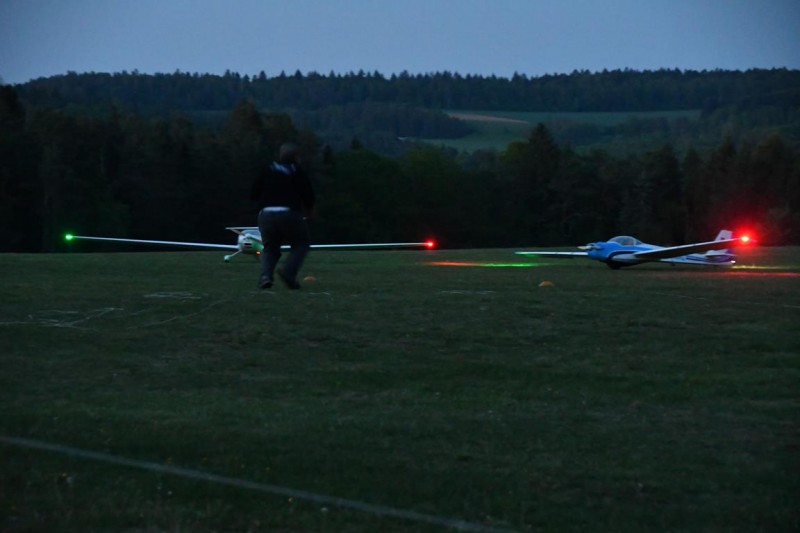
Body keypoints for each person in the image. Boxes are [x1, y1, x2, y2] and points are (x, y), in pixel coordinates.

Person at [251, 143, 315, 289]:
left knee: (270, 248)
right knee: (301, 244)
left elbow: (254, 193)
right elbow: (308, 195)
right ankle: (288, 273)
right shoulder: (297, 171)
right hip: (289, 213)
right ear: (296, 158)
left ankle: (266, 276)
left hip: (266, 214)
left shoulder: (267, 169)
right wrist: (309, 212)